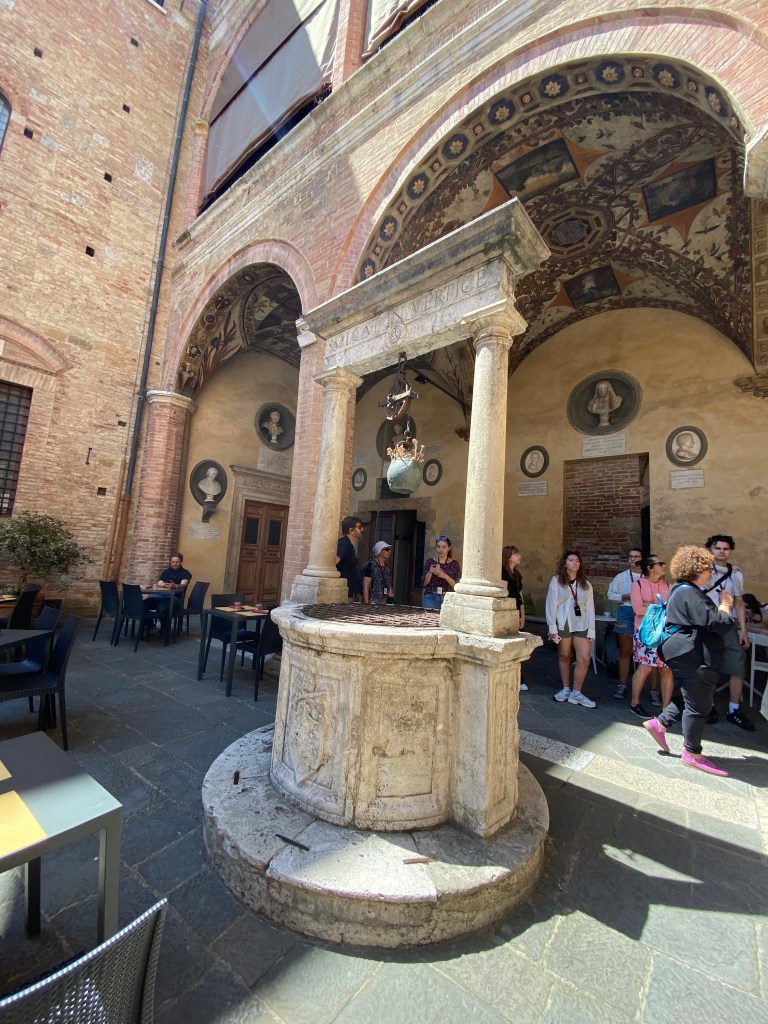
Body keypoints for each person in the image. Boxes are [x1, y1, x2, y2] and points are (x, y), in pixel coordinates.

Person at [643, 545, 735, 776]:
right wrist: (725, 605)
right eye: (708, 569)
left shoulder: (681, 590)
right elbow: (716, 623)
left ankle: (660, 723)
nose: (711, 573)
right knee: (699, 706)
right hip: (692, 654)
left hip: (684, 652)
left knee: (693, 695)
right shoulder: (689, 592)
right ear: (698, 569)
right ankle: (692, 753)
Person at [702, 534, 754, 731]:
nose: (722, 552)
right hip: (707, 623)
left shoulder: (736, 573)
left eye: (726, 548)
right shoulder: (703, 569)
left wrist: (743, 630)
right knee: (708, 666)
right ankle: (709, 707)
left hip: (728, 624)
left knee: (737, 664)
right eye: (718, 548)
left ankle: (734, 710)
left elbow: (739, 603)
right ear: (710, 549)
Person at [546, 550, 596, 707]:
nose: (575, 563)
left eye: (577, 561)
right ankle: (566, 688)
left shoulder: (586, 584)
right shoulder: (556, 581)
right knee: (565, 655)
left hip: (581, 622)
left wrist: (592, 630)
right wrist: (552, 627)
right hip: (563, 621)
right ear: (565, 563)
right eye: (571, 560)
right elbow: (551, 604)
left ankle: (577, 693)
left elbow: (590, 607)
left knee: (584, 657)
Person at [628, 555, 674, 717]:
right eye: (660, 563)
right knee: (645, 667)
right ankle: (635, 703)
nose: (664, 566)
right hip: (645, 632)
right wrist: (659, 607)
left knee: (667, 670)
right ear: (650, 567)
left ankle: (666, 707)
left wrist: (650, 606)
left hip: (665, 633)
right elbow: (638, 609)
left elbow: (672, 608)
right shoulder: (638, 585)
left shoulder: (668, 586)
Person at [607, 548, 642, 699]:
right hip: (626, 611)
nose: (633, 559)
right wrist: (625, 596)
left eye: (636, 556)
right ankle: (622, 685)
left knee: (645, 651)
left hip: (643, 613)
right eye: (630, 557)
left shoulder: (648, 576)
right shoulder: (621, 577)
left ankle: (649, 688)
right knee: (625, 651)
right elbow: (610, 595)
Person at [502, 544, 527, 690]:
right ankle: (516, 678)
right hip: (508, 611)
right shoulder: (503, 573)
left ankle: (519, 677)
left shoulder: (517, 574)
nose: (519, 556)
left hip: (516, 610)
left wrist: (522, 615)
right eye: (516, 554)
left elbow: (520, 596)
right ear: (509, 557)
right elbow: (504, 594)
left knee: (518, 644)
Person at [421, 535, 461, 610]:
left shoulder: (454, 564)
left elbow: (457, 586)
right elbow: (424, 584)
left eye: (444, 547)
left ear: (449, 548)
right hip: (431, 597)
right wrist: (430, 572)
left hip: (448, 598)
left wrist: (445, 576)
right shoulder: (430, 562)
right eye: (438, 547)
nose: (440, 549)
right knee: (428, 617)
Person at [336, 516, 363, 599]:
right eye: (359, 527)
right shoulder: (344, 544)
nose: (362, 529)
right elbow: (332, 563)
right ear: (351, 530)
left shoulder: (348, 544)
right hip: (343, 593)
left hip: (349, 592)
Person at [363, 541, 394, 605]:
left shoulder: (387, 569)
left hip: (384, 603)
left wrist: (391, 598)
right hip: (372, 603)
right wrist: (366, 603)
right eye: (387, 549)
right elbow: (366, 585)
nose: (389, 551)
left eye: (389, 549)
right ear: (380, 551)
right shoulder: (371, 565)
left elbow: (389, 586)